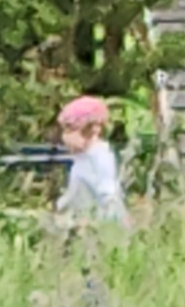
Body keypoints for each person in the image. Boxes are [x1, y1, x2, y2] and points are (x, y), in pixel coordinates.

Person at [54, 96, 130, 226]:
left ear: (93, 129)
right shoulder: (81, 158)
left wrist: (109, 216)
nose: (65, 139)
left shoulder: (100, 155)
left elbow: (107, 189)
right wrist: (63, 205)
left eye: (69, 130)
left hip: (100, 219)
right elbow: (76, 190)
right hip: (83, 217)